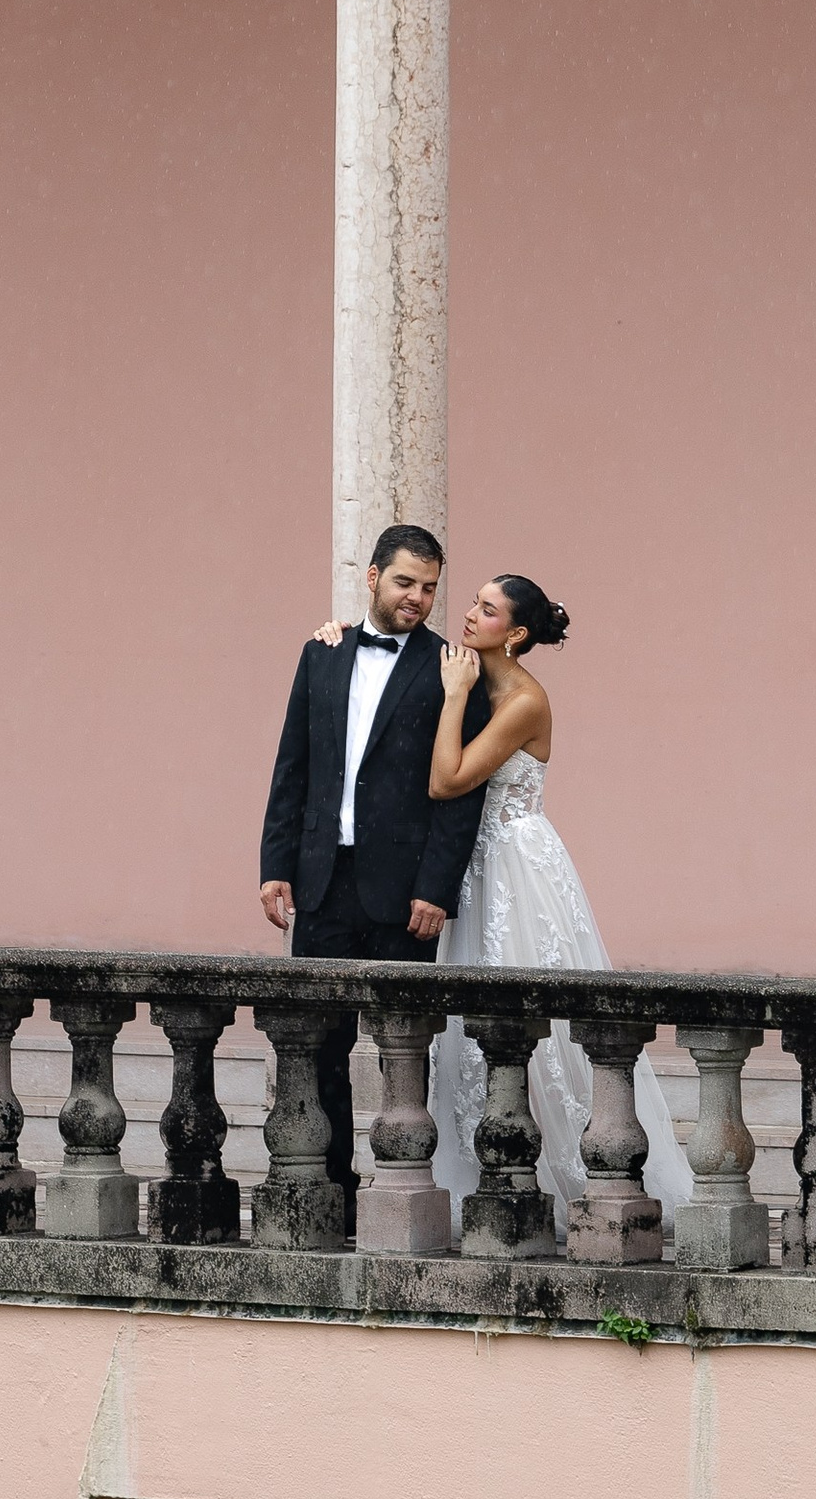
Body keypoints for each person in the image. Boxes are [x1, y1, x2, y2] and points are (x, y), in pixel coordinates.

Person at [314, 571, 689, 1237]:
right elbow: (389, 655)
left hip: (516, 870)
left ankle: (575, 1178)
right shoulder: (462, 671)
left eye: (487, 610)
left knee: (540, 1032)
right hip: (472, 867)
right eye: (474, 602)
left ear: (514, 633)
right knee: (467, 1032)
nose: (469, 614)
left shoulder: (521, 697)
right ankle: (486, 1178)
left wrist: (456, 694)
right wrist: (337, 634)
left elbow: (448, 778)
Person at [258, 522, 491, 1197]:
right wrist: (275, 865)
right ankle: (326, 1182)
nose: (416, 597)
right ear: (372, 578)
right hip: (323, 879)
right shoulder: (321, 655)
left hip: (405, 892)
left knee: (402, 1045)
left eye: (428, 587)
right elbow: (293, 767)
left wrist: (436, 887)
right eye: (404, 582)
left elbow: (459, 795)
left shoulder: (452, 669)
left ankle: (402, 1181)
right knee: (315, 1044)